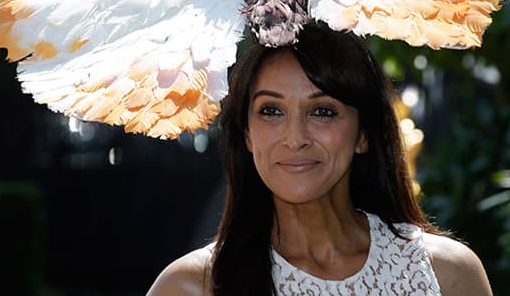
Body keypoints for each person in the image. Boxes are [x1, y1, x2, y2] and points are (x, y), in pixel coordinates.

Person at [148, 22, 492, 295]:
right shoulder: (191, 287)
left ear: (363, 135)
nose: (295, 138)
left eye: (323, 111)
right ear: (247, 135)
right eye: (271, 110)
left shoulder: (448, 274)